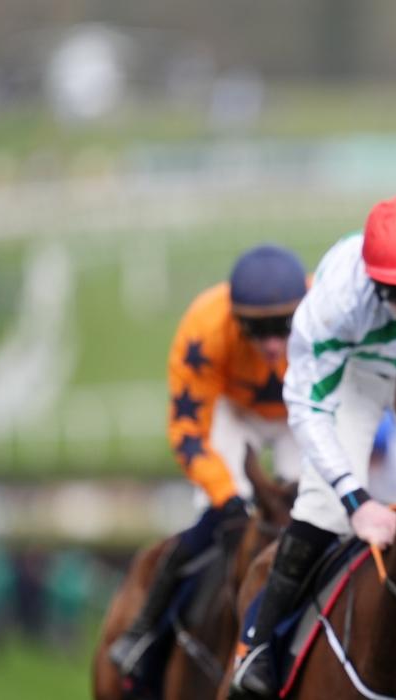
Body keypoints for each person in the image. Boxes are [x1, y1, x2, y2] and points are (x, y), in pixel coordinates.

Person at [228, 194, 396, 699]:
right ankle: (258, 646)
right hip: (357, 375)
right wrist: (354, 500)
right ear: (372, 282)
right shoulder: (336, 299)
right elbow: (306, 406)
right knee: (322, 507)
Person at [108, 245, 308, 678]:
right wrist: (226, 495)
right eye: (258, 331)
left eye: (283, 328)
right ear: (236, 320)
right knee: (222, 520)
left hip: (302, 412)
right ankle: (146, 631)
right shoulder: (204, 327)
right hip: (233, 413)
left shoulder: (325, 311)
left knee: (315, 517)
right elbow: (189, 431)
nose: (273, 345)